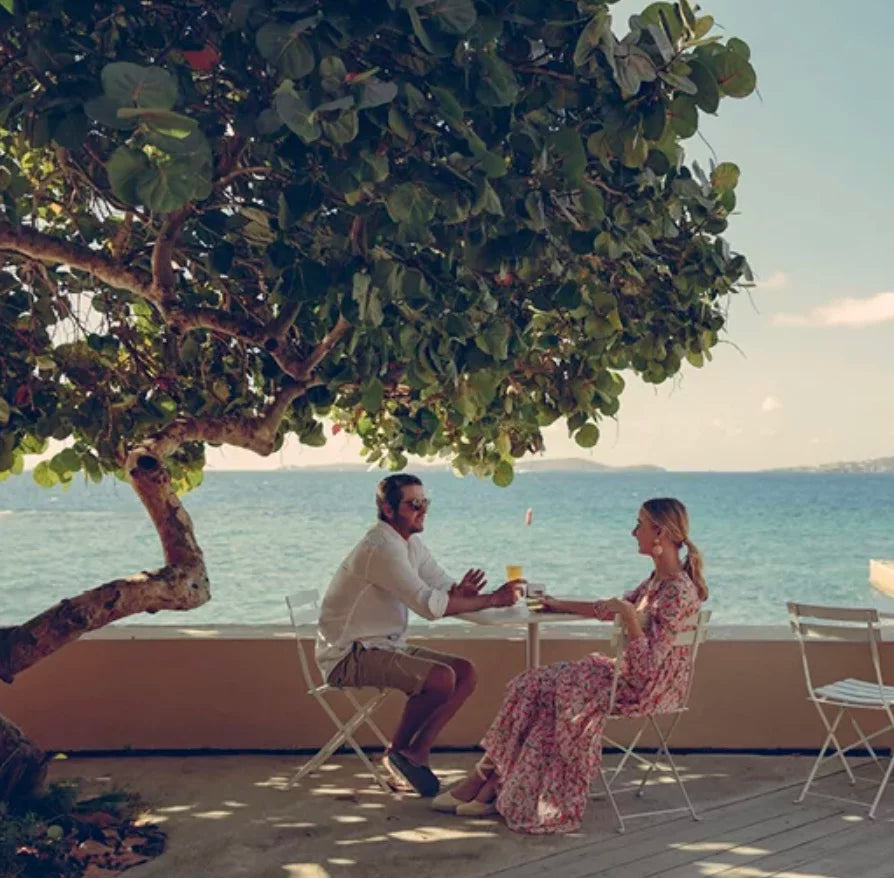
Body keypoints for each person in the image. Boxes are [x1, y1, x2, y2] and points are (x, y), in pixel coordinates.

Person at [431, 497, 707, 834]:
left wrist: (629, 616)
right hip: (622, 675)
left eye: (639, 524)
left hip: (644, 688)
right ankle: (490, 780)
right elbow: (607, 609)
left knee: (556, 692)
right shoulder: (656, 581)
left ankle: (487, 783)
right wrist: (557, 604)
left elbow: (648, 665)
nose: (633, 531)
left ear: (659, 533)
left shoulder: (677, 591)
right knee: (532, 683)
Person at [315, 473, 522, 797]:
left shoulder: (409, 545)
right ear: (387, 508)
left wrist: (466, 595)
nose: (422, 510)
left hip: (383, 645)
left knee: (464, 673)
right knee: (439, 678)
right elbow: (430, 606)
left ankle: (415, 754)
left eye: (425, 503)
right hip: (348, 655)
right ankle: (397, 753)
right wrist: (491, 600)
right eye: (414, 504)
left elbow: (441, 588)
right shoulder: (381, 547)